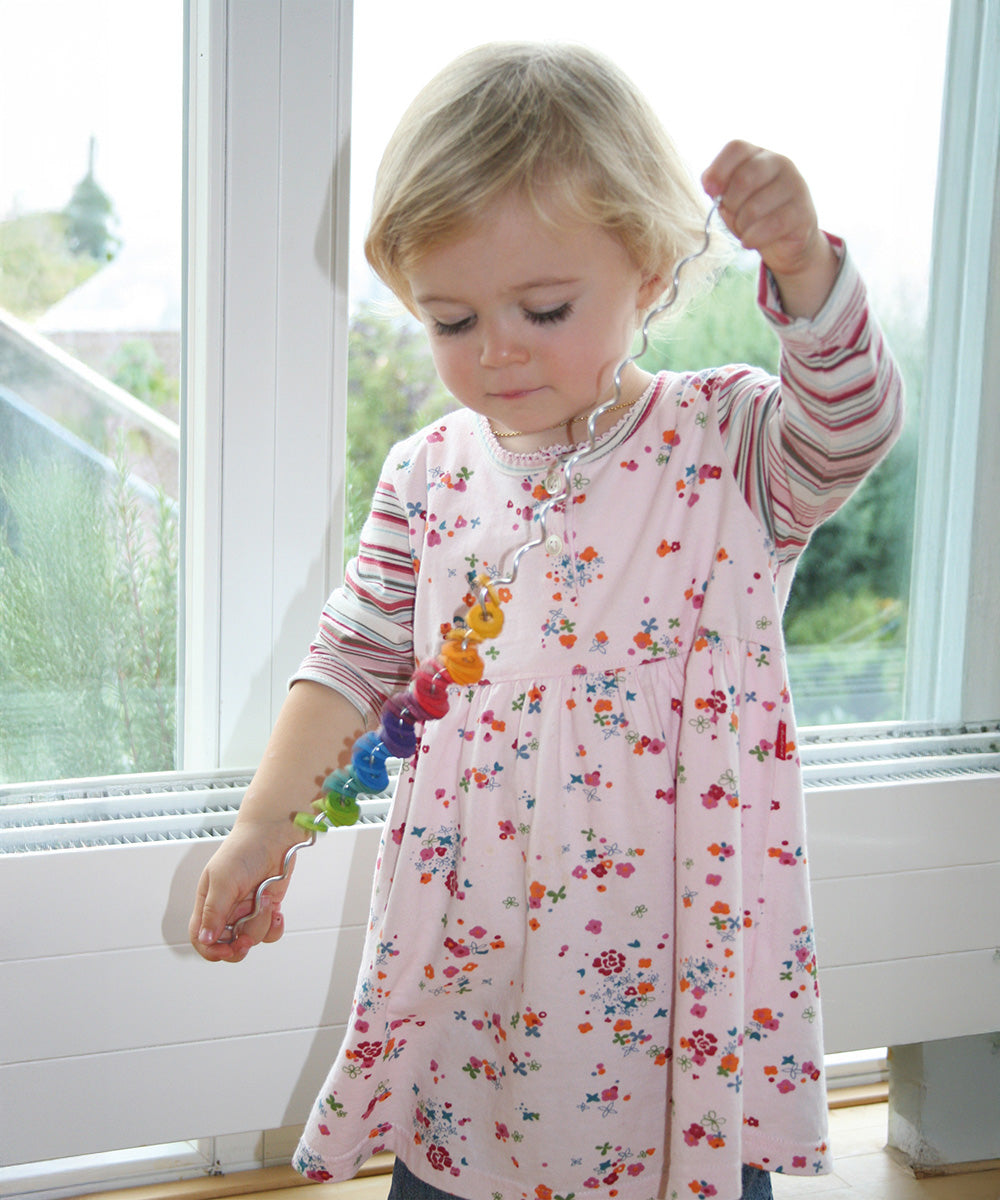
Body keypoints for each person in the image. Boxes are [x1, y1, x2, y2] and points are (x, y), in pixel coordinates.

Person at [189, 42, 903, 1200]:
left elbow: (850, 424)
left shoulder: (725, 445)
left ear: (653, 266)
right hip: (475, 930)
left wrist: (806, 270)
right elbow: (352, 657)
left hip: (672, 941)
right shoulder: (430, 474)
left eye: (545, 306)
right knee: (461, 1144)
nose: (498, 350)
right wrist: (262, 827)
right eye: (452, 320)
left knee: (676, 1159)